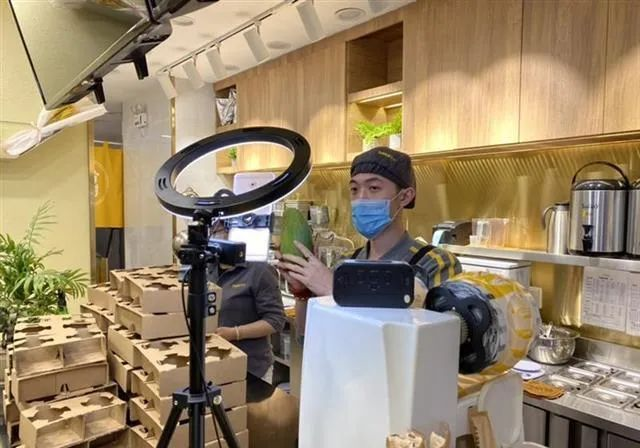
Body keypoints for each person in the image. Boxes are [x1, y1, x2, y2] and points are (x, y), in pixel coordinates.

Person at [277, 146, 462, 333]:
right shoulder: (347, 263)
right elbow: (310, 333)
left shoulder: (435, 263)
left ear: (405, 197)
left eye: (373, 188)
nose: (361, 198)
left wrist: (335, 290)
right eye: (354, 189)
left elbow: (439, 336)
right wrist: (302, 291)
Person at [208, 220, 286, 383]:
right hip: (214, 364)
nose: (214, 235)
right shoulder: (209, 267)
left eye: (219, 230)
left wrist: (235, 333)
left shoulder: (259, 269)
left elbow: (275, 320)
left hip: (251, 368)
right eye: (211, 231)